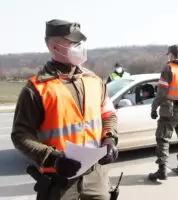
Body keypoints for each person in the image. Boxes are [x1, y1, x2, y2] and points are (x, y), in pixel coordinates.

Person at [11, 19, 119, 200]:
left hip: (96, 176)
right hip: (59, 179)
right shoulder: (36, 89)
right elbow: (20, 136)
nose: (79, 47)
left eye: (80, 42)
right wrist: (54, 158)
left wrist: (110, 139)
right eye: (73, 42)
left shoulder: (94, 80)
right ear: (54, 47)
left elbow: (108, 114)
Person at [148, 45, 178, 181]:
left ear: (171, 54)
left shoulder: (168, 68)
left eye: (168, 54)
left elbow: (161, 92)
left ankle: (162, 170)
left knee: (163, 139)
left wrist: (154, 108)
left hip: (169, 110)